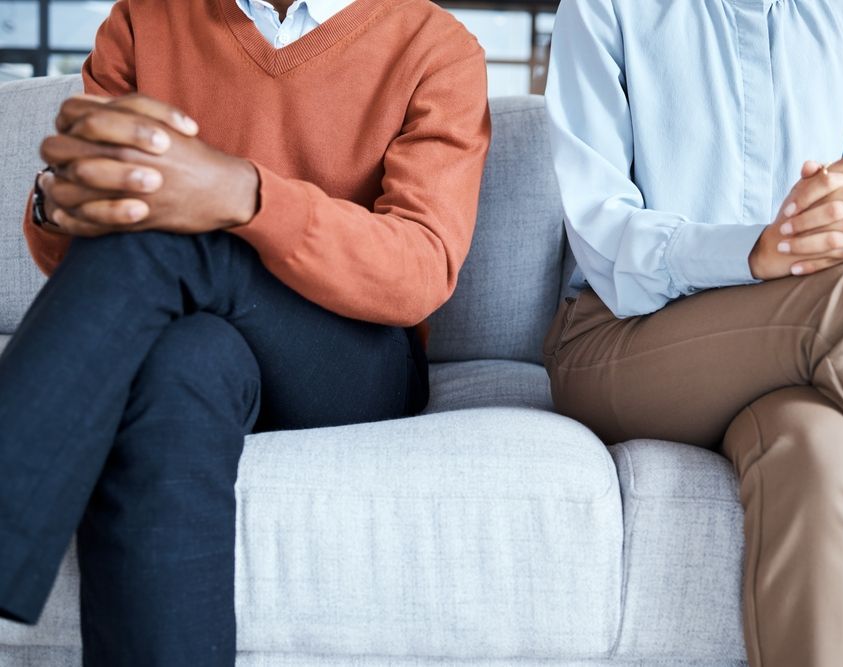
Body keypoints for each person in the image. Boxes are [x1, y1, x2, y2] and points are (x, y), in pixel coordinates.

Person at [0, 0, 490, 664]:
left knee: (161, 239)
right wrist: (56, 205)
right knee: (180, 365)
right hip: (197, 339)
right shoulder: (146, 20)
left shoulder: (435, 44)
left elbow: (420, 268)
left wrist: (243, 195)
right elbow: (79, 259)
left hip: (350, 355)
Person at [543, 0, 843, 665]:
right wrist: (755, 251)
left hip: (793, 352)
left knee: (820, 449)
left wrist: (837, 234)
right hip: (621, 341)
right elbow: (604, 234)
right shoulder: (606, 11)